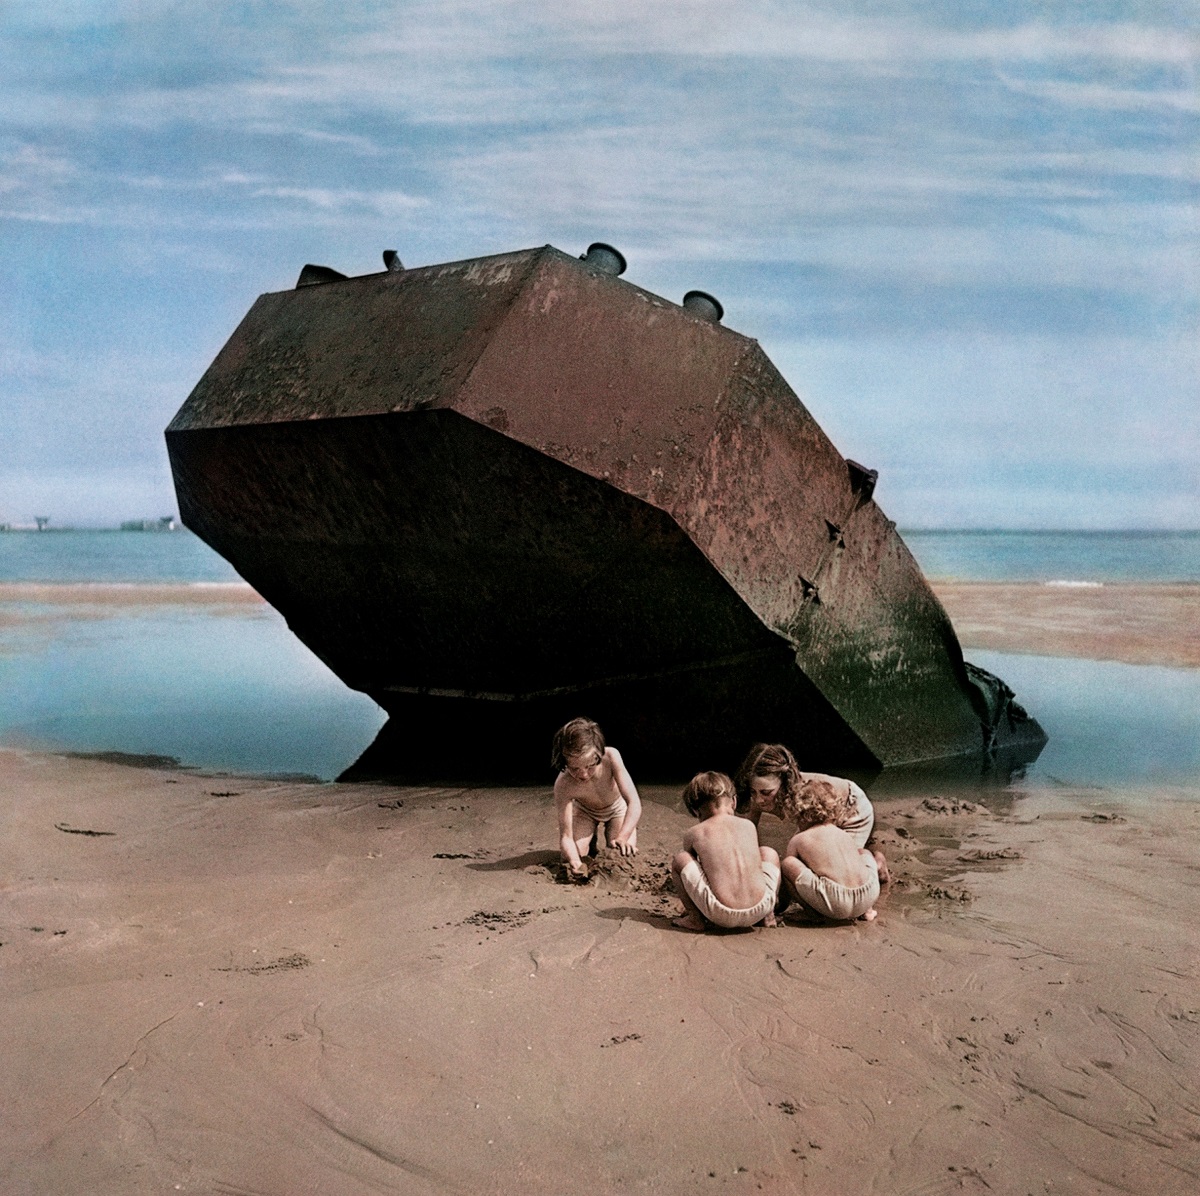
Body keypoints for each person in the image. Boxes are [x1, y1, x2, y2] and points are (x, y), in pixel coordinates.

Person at [670, 771, 781, 932]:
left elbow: (690, 871)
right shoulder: (748, 825)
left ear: (695, 811)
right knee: (768, 852)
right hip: (760, 907)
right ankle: (769, 917)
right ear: (734, 802)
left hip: (722, 914)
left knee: (681, 859)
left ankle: (694, 918)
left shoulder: (695, 833)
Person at [780, 781, 889, 922]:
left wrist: (781, 902)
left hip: (836, 902)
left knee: (788, 863)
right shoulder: (843, 834)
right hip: (868, 894)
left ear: (801, 815)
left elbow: (789, 878)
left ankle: (812, 914)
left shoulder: (799, 839)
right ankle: (868, 911)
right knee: (863, 852)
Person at [734, 742, 874, 848]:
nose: (759, 799)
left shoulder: (801, 795)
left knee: (835, 863)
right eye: (753, 791)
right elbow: (746, 834)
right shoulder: (758, 795)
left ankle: (875, 863)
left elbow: (810, 838)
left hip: (851, 807)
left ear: (784, 783)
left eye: (766, 792)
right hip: (822, 818)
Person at [551, 717, 642, 880]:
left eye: (590, 766)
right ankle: (590, 841)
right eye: (574, 768)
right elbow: (565, 836)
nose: (583, 774)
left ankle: (611, 835)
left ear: (599, 754)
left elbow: (634, 803)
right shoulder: (563, 784)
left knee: (620, 854)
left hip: (617, 809)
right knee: (573, 855)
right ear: (564, 761)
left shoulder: (612, 756)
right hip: (585, 812)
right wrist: (574, 861)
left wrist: (623, 837)